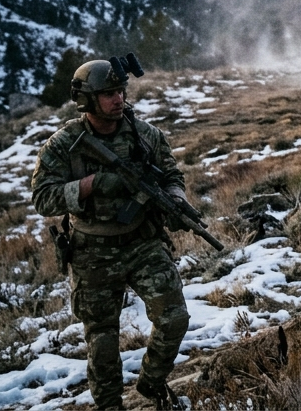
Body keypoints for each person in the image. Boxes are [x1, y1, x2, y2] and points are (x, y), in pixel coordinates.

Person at [30, 60, 195, 410]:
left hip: (143, 241)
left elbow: (171, 176)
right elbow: (43, 198)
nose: (118, 99)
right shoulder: (64, 145)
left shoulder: (145, 135)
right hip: (92, 251)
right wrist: (93, 185)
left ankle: (152, 384)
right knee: (103, 343)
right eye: (108, 94)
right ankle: (110, 406)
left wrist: (176, 203)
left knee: (174, 317)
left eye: (121, 91)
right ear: (87, 100)